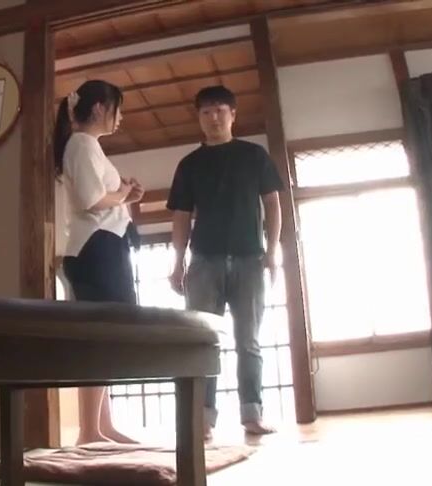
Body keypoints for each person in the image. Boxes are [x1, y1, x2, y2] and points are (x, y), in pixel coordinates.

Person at [166, 85, 284, 439]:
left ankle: (252, 415)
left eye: (220, 110)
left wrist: (272, 250)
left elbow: (273, 204)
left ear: (233, 114)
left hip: (250, 259)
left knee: (249, 341)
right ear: (199, 118)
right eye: (206, 112)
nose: (213, 118)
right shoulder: (189, 164)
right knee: (203, 342)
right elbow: (181, 216)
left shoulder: (254, 155)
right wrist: (177, 262)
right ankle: (202, 419)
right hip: (204, 261)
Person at [54, 79, 144, 444]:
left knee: (106, 335)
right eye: (117, 109)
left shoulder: (88, 146)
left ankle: (100, 426)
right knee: (103, 336)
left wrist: (124, 196)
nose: (120, 117)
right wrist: (123, 193)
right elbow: (92, 200)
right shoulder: (82, 143)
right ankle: (90, 430)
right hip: (97, 248)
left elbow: (99, 198)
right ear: (99, 108)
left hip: (102, 246)